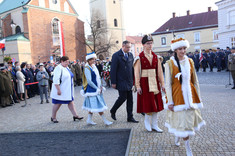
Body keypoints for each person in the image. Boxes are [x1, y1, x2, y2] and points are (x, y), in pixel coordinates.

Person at [164, 38, 206, 156]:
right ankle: (187, 147)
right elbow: (168, 83)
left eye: (184, 48)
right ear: (175, 50)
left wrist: (198, 97)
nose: (183, 51)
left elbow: (195, 81)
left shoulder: (190, 61)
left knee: (187, 122)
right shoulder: (170, 64)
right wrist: (170, 101)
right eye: (180, 49)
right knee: (181, 120)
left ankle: (181, 138)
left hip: (190, 96)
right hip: (178, 96)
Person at [133, 35, 165, 132]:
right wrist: (138, 86)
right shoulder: (139, 58)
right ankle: (147, 122)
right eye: (148, 43)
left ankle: (155, 124)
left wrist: (162, 84)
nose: (150, 45)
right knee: (147, 103)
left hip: (154, 81)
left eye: (151, 43)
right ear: (143, 45)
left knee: (156, 103)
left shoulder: (156, 57)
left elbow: (159, 72)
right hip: (144, 82)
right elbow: (137, 73)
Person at [80, 52, 113, 125]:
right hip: (92, 90)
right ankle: (105, 121)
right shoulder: (87, 68)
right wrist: (96, 88)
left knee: (91, 106)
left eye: (94, 59)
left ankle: (89, 120)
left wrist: (100, 86)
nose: (94, 61)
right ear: (89, 60)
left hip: (96, 89)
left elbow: (98, 78)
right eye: (93, 59)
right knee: (99, 105)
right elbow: (89, 80)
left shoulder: (93, 67)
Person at [110, 40, 139, 123]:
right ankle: (113, 110)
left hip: (129, 81)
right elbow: (113, 70)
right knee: (122, 97)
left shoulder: (130, 55)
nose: (129, 49)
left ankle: (130, 117)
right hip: (121, 80)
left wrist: (134, 81)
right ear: (123, 46)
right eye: (127, 47)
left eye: (130, 47)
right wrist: (113, 82)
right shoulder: (116, 55)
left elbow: (132, 69)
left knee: (130, 100)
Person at [50, 56, 83, 123]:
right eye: (66, 62)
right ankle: (53, 117)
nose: (67, 63)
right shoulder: (58, 68)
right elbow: (56, 80)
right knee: (57, 103)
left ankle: (75, 115)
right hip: (61, 89)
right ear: (62, 61)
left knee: (70, 102)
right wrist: (58, 89)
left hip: (67, 90)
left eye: (68, 62)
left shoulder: (66, 68)